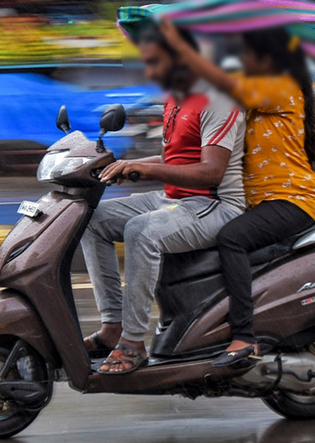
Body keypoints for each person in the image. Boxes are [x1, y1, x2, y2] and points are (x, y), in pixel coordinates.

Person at [160, 19, 315, 367]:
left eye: (248, 53)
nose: (241, 59)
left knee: (231, 238)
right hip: (257, 202)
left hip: (291, 199)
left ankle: (244, 336)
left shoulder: (280, 86)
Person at [80, 24, 245, 374]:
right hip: (176, 199)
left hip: (213, 205)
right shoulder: (175, 99)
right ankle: (112, 326)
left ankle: (133, 341)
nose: (151, 71)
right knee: (90, 219)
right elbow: (174, 162)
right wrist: (129, 166)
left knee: (142, 230)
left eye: (157, 62)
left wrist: (148, 171)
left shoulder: (218, 100)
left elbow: (211, 172)